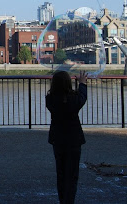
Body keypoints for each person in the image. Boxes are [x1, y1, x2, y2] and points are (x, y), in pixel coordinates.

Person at [46, 70, 88, 204]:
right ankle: (69, 201)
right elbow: (82, 97)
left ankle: (62, 200)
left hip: (57, 139)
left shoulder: (50, 99)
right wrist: (82, 84)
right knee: (72, 174)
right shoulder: (73, 99)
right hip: (73, 139)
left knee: (61, 173)